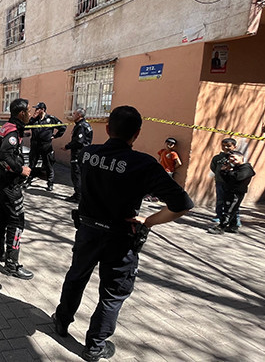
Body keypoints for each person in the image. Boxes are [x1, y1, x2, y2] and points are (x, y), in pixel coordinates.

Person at [52, 105, 194, 361]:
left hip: (88, 231)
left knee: (77, 276)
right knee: (113, 292)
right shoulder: (143, 164)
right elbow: (182, 204)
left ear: (107, 128)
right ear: (137, 133)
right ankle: (95, 345)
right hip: (120, 237)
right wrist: (148, 221)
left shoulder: (88, 154)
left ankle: (62, 320)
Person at [0, 98, 34, 280]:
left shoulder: (6, 126)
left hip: (0, 179)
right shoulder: (12, 130)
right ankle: (12, 264)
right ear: (21, 113)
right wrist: (19, 169)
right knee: (16, 221)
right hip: (9, 183)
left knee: (2, 216)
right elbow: (3, 155)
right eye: (28, 111)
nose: (30, 114)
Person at [208, 151, 255, 234]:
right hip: (229, 191)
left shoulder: (246, 168)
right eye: (230, 158)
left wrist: (228, 171)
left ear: (241, 157)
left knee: (229, 211)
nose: (232, 159)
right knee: (232, 209)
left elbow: (237, 177)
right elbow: (226, 178)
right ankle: (233, 226)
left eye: (234, 157)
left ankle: (221, 227)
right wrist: (224, 170)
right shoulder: (236, 168)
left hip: (236, 193)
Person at [25, 102, 66, 191]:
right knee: (32, 165)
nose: (36, 110)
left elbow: (63, 127)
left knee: (48, 165)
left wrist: (55, 136)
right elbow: (26, 127)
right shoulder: (34, 119)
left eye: (38, 109)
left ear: (43, 110)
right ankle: (28, 181)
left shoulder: (51, 119)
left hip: (46, 146)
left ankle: (50, 183)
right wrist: (32, 118)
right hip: (35, 146)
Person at [63, 107, 92, 202]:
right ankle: (80, 194)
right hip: (84, 153)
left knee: (76, 175)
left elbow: (79, 142)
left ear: (79, 115)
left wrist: (67, 146)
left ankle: (78, 196)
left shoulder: (81, 126)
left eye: (74, 114)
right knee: (80, 174)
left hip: (79, 154)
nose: (73, 115)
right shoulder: (85, 125)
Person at [210, 138, 239, 225]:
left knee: (233, 201)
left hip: (232, 183)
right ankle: (219, 216)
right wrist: (220, 174)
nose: (225, 147)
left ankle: (235, 219)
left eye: (228, 146)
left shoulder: (237, 158)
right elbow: (213, 167)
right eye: (223, 146)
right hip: (220, 182)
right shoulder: (217, 158)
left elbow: (240, 169)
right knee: (220, 199)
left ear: (234, 147)